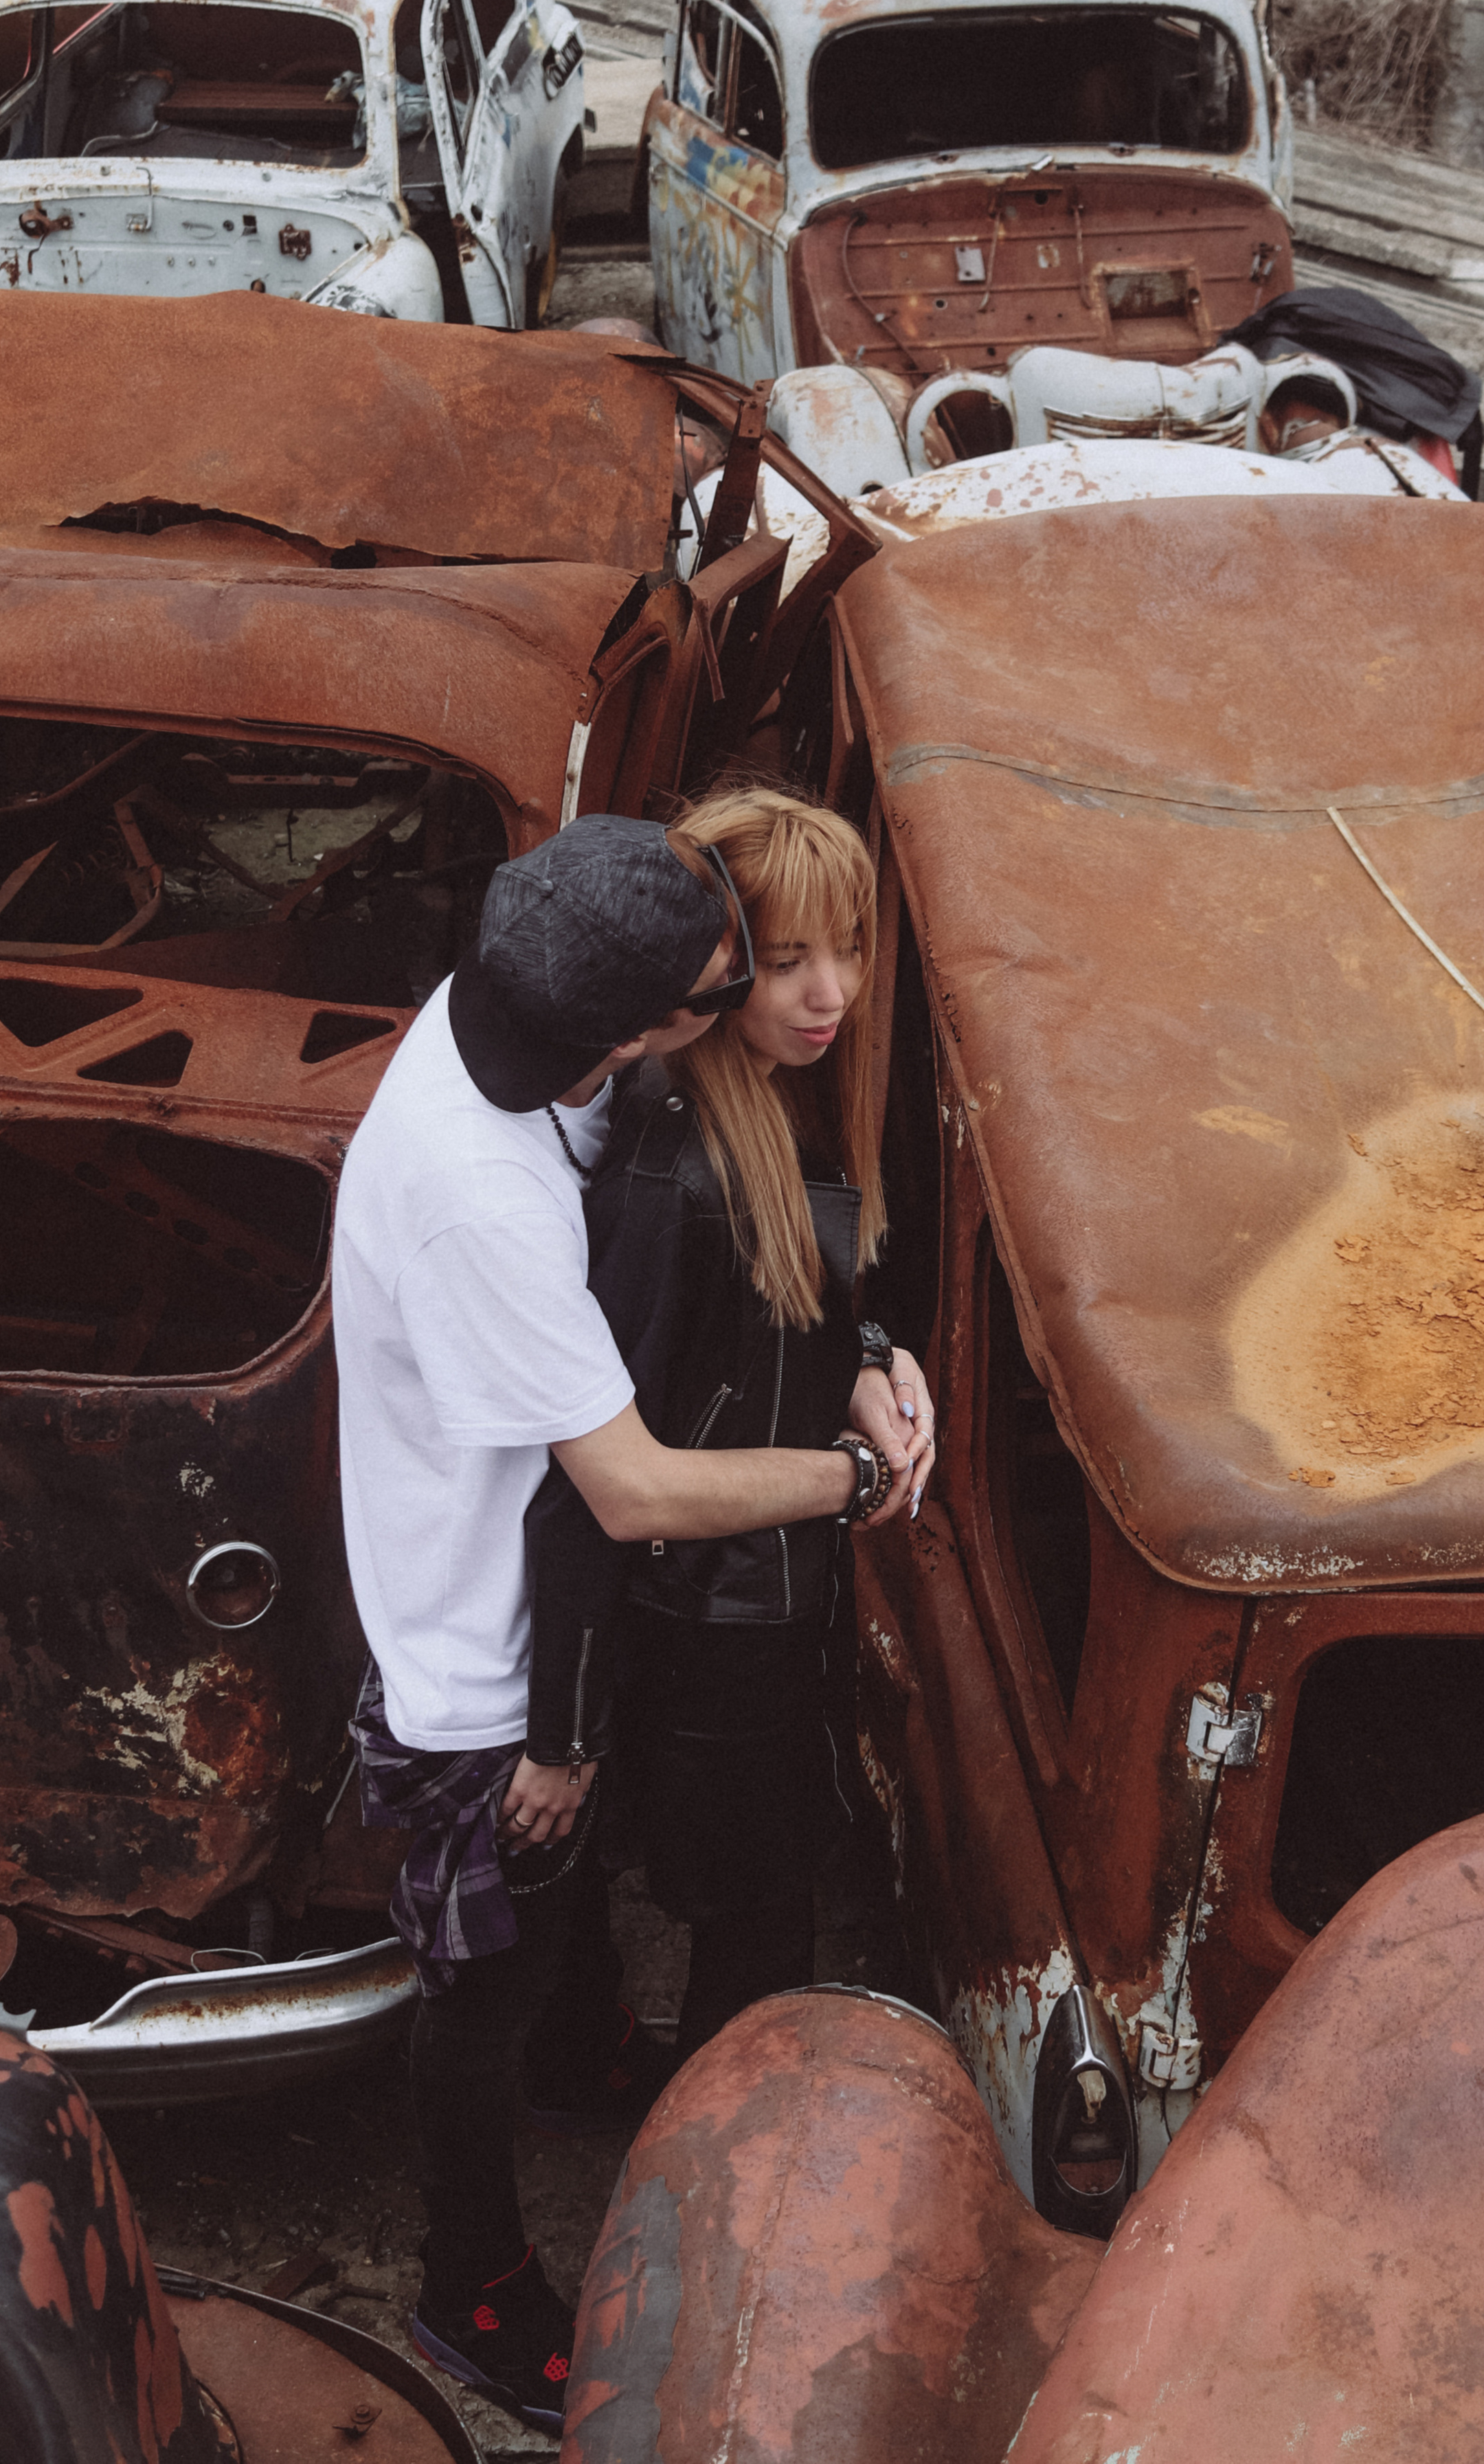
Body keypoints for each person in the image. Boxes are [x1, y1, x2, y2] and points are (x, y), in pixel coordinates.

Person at [330, 812, 925, 2436]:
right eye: (734, 975)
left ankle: (590, 2061)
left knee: (552, 1944)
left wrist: (864, 1350)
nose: (782, 995)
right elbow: (632, 1494)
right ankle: (466, 2285)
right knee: (479, 1992)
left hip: (518, 1598)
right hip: (476, 1653)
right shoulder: (483, 1198)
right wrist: (846, 1479)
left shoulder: (525, 1039)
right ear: (634, 1032)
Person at [525, 787, 938, 2072]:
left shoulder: (768, 1100)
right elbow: (594, 1458)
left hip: (754, 1601)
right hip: (710, 1620)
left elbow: (783, 1317)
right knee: (758, 1939)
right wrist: (567, 1727)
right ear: (717, 969)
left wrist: (863, 1356)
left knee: (753, 1917)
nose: (833, 994)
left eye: (851, 950)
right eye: (792, 957)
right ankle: (711, 2169)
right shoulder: (675, 1164)